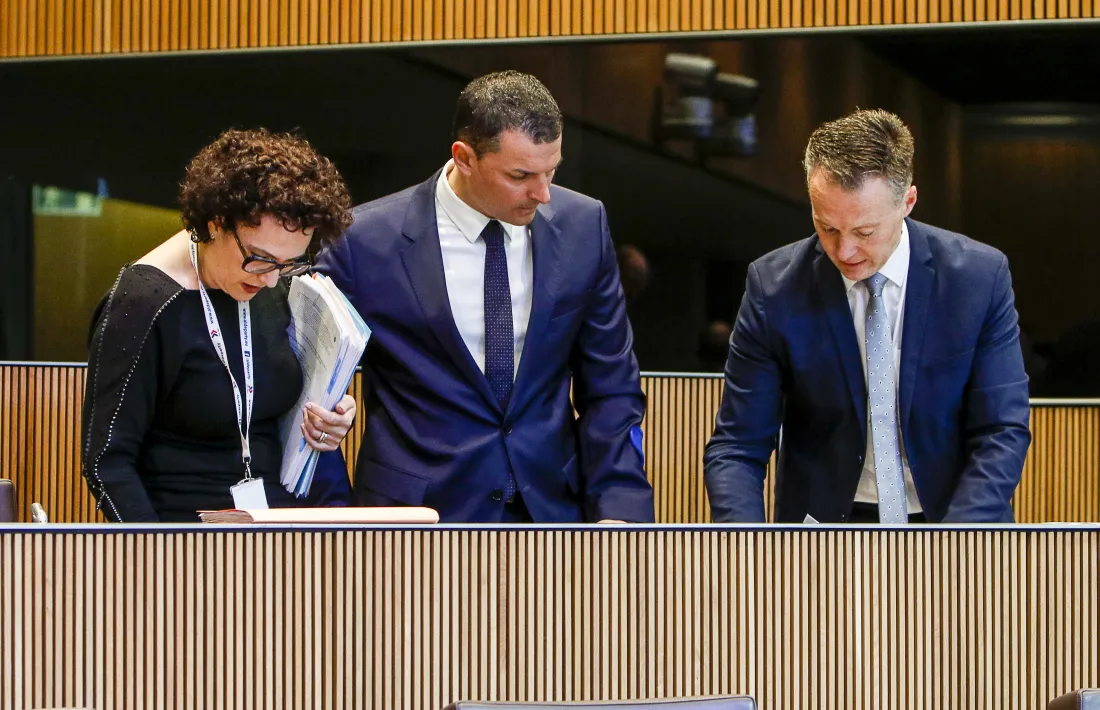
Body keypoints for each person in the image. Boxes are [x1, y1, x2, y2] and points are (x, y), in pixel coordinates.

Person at [315, 70, 654, 523]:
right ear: (465, 157)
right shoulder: (363, 242)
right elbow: (307, 385)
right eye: (521, 175)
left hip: (551, 512)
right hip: (416, 520)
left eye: (551, 171)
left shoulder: (583, 225)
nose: (543, 193)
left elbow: (612, 387)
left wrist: (621, 510)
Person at [703, 109, 1031, 524]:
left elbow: (1001, 431)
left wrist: (957, 545)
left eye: (865, 232)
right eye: (827, 228)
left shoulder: (978, 279)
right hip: (823, 531)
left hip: (956, 519)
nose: (845, 252)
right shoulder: (774, 287)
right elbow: (737, 446)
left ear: (908, 202)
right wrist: (746, 549)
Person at [81, 128, 357, 522]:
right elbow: (106, 461)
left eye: (288, 263)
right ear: (214, 223)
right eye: (259, 259)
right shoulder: (143, 303)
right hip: (184, 538)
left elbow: (273, 395)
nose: (270, 280)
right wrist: (155, 560)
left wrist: (330, 415)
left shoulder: (272, 283)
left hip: (279, 528)